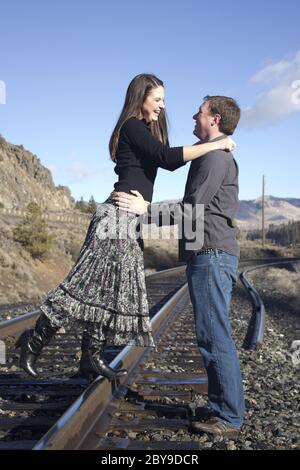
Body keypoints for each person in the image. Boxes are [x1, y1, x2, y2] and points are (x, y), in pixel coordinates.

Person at [16, 75, 235, 382]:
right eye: (157, 99)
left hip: (130, 221)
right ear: (140, 98)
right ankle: (33, 342)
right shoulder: (132, 125)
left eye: (163, 100)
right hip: (115, 218)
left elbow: (169, 161)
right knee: (83, 287)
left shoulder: (145, 130)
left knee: (112, 289)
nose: (162, 106)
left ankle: (91, 357)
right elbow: (167, 157)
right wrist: (217, 143)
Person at [112, 95, 244, 436]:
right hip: (210, 254)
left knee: (214, 336)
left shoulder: (214, 158)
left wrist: (146, 210)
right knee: (213, 335)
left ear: (214, 119)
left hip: (212, 255)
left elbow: (191, 210)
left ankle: (228, 416)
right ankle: (225, 408)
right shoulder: (212, 155)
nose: (192, 115)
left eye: (199, 112)